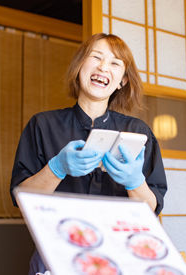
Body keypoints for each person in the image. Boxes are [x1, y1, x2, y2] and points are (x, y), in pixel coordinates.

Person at [10, 33, 168, 275]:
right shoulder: (43, 125)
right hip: (56, 252)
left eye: (115, 63)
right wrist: (56, 168)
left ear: (122, 81)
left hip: (120, 256)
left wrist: (134, 181)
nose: (103, 66)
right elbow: (22, 200)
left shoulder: (138, 132)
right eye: (96, 57)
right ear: (79, 67)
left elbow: (150, 209)